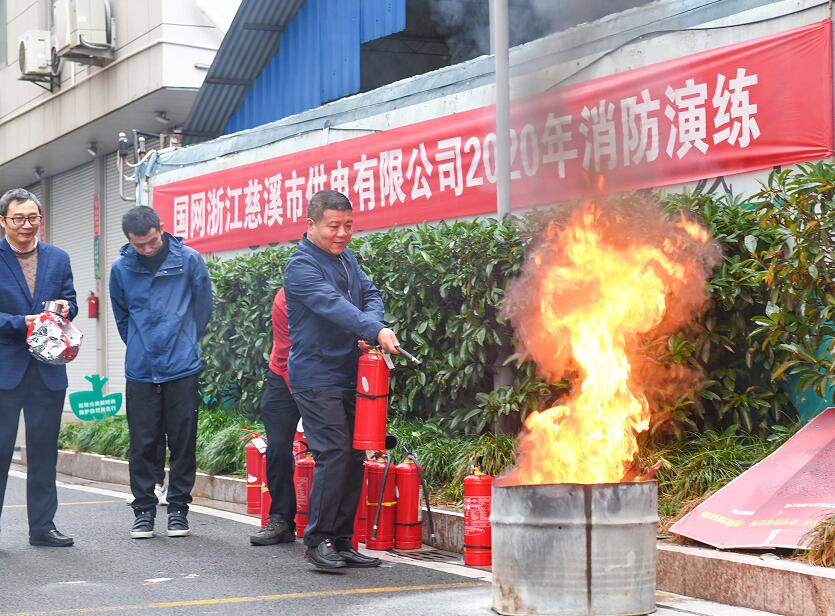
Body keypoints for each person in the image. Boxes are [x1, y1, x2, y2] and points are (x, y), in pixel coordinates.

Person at [284, 190, 400, 570]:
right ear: (311, 225)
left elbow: (370, 294)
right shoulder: (301, 266)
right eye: (334, 226)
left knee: (352, 455)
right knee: (333, 452)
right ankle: (318, 541)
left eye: (348, 225)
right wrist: (374, 328)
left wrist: (374, 325)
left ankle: (344, 540)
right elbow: (332, 305)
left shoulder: (346, 258)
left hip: (349, 371)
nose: (342, 233)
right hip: (315, 375)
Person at [109, 206, 212, 539]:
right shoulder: (121, 269)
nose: (148, 249)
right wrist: (141, 345)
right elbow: (122, 317)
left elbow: (203, 309)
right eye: (140, 245)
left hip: (181, 367)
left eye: (152, 241)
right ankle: (143, 512)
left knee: (183, 441)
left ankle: (178, 510)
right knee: (142, 443)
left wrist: (184, 342)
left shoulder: (189, 261)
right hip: (141, 369)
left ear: (161, 229)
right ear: (129, 241)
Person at [0, 188, 77, 547]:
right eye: (18, 219)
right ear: (3, 221)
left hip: (48, 370)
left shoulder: (58, 258)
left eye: (33, 218)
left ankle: (42, 528)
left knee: (44, 452)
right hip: (5, 371)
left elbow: (71, 300)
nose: (27, 225)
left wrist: (65, 309)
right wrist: (23, 322)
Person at [249, 287, 300, 546]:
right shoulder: (285, 298)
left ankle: (331, 530)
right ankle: (281, 519)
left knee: (331, 449)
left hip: (326, 377)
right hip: (283, 374)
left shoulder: (336, 295)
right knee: (278, 448)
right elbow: (289, 352)